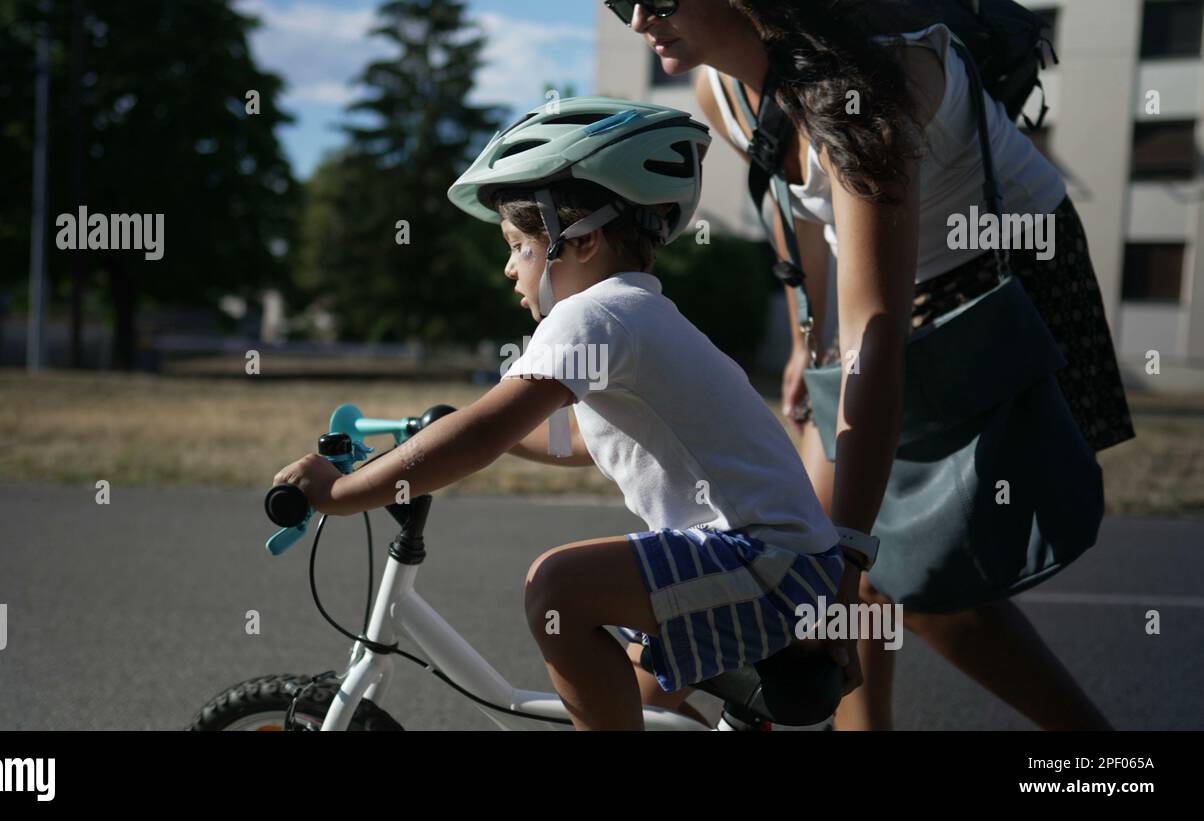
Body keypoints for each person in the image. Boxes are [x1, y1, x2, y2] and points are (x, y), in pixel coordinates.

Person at [271, 97, 879, 730]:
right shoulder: (637, 316)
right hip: (787, 568)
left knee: (558, 587)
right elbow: (583, 440)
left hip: (764, 565)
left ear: (581, 239)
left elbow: (482, 433)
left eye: (517, 245)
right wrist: (448, 433)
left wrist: (341, 492)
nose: (509, 267)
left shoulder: (594, 314)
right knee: (638, 700)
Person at [613, 0, 1134, 729]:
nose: (638, 18)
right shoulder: (720, 90)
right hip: (889, 284)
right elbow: (801, 215)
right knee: (808, 539)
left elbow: (877, 334)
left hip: (1001, 276)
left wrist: (848, 558)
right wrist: (805, 341)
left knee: (915, 581)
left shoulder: (874, 84)